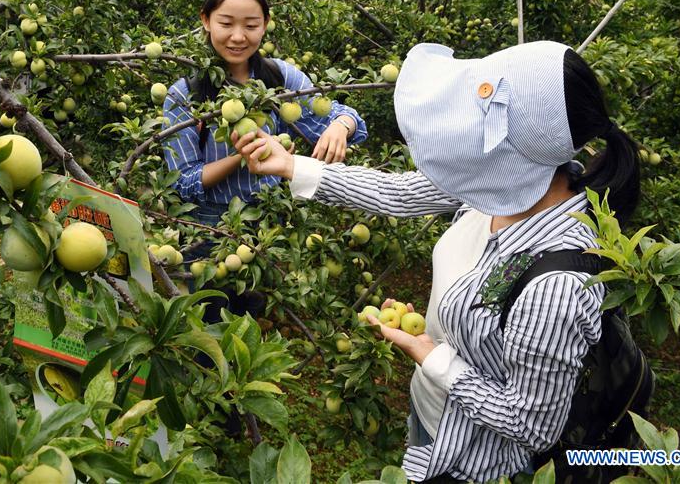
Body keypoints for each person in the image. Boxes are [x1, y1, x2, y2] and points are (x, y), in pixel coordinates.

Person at [232, 41, 641, 483]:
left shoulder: (556, 283)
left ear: (509, 149)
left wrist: (431, 355)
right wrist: (291, 165)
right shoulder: (499, 184)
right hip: (433, 412)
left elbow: (532, 426)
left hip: (472, 461)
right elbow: (399, 193)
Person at [163, 0, 368, 322]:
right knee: (204, 329)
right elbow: (182, 182)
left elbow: (347, 119)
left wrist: (339, 125)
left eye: (251, 25)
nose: (238, 36)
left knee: (250, 327)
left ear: (266, 25)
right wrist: (237, 155)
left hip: (265, 232)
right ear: (205, 20)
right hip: (206, 235)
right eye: (226, 23)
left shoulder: (279, 78)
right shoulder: (185, 94)